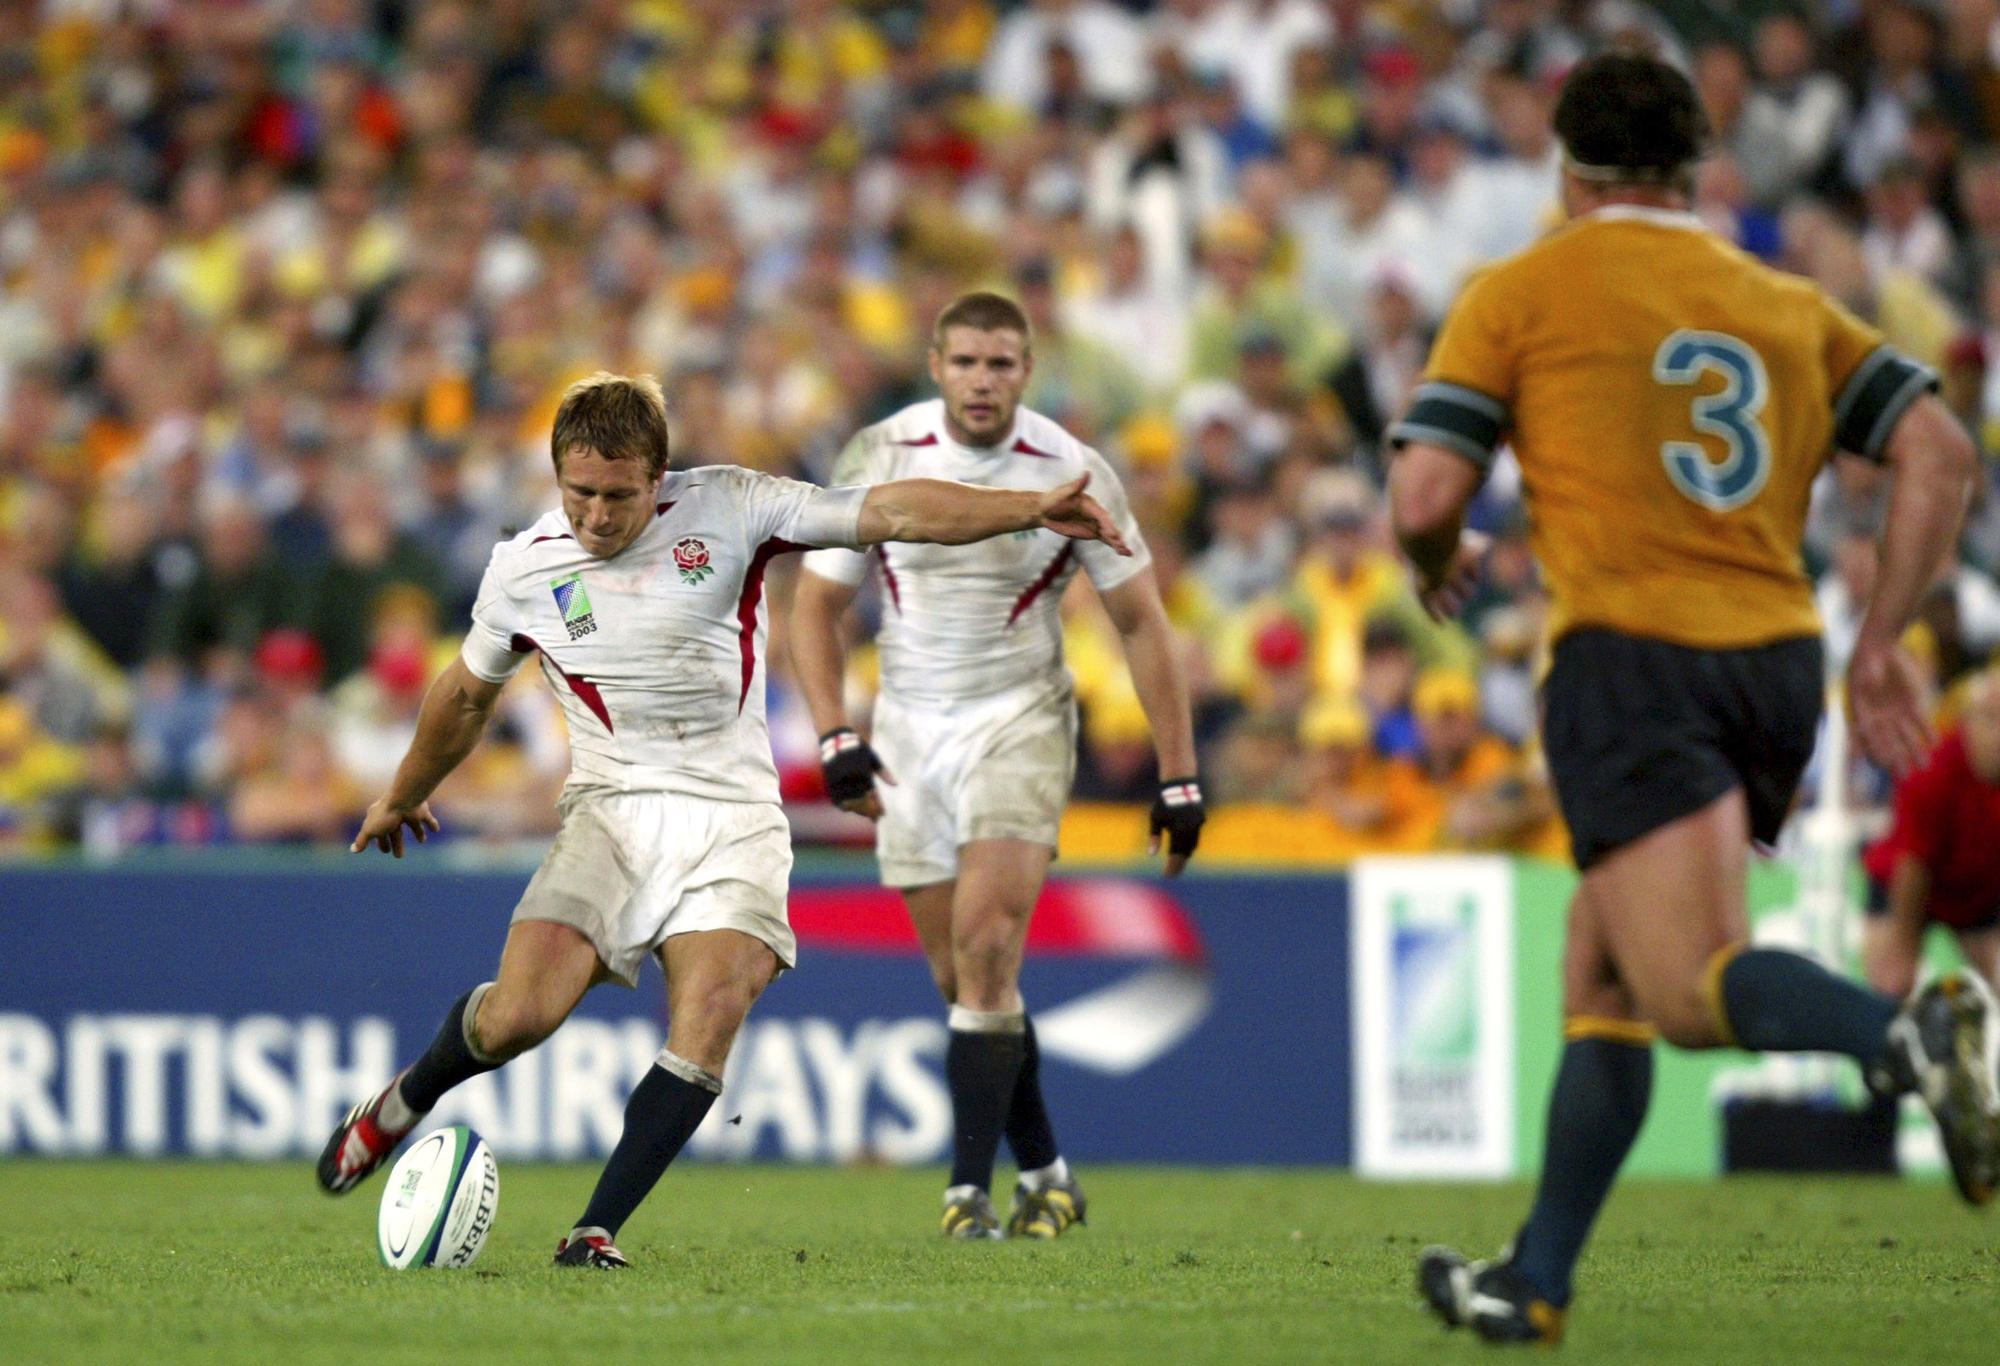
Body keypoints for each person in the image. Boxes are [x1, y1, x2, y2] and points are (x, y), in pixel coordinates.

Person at [1388, 53, 1996, 1346]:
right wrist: (1883, 637)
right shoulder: (1780, 297)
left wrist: (1436, 565)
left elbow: (1425, 495)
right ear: (1691, 169)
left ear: (1568, 168)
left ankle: (1903, 1040)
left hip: (1630, 652)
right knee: (1599, 960)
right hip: (1775, 659)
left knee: (1679, 985)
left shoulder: (1523, 287)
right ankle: (1534, 1280)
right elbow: (1939, 446)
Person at [315, 371, 1132, 1269]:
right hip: (611, 814)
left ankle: (595, 1231)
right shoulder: (524, 567)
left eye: (618, 495)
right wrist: (402, 788)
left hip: (733, 818)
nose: (595, 514)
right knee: (516, 1018)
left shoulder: (734, 506)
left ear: (659, 476)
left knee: (709, 1010)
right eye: (578, 491)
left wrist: (1024, 508)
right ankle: (402, 1102)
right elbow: (466, 696)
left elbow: (890, 511)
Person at [789, 293, 1203, 1240]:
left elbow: (1141, 620)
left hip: (1020, 718)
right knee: (965, 979)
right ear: (936, 365)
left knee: (984, 944)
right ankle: (1049, 1171)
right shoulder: (878, 453)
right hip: (906, 731)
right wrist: (833, 732)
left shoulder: (1074, 468)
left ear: (1029, 370)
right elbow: (813, 609)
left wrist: (1178, 777)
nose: (984, 380)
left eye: (1003, 364)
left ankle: (965, 1192)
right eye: (967, 362)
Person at [1863, 669, 2000, 996]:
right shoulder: (1930, 769)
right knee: (1890, 990)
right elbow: (1913, 868)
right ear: (1967, 721)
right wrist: (1902, 949)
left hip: (1977, 893)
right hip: (1905, 885)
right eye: (1992, 720)